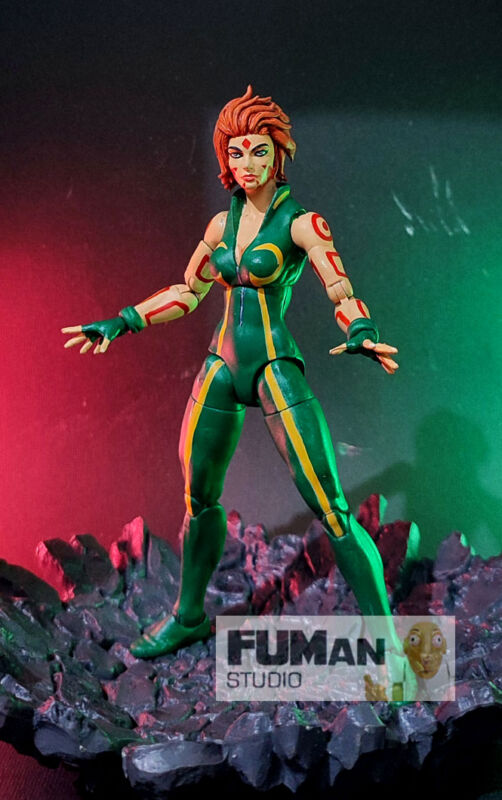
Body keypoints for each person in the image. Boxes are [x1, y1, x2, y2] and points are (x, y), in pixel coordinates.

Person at [62, 86, 404, 667]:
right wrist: (122, 321)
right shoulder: (223, 222)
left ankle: (388, 644)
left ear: (278, 154)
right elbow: (187, 291)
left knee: (330, 507)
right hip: (221, 366)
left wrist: (360, 329)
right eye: (236, 152)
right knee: (199, 498)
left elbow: (339, 287)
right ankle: (188, 617)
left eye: (259, 151)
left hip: (274, 366)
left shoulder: (303, 223)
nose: (246, 164)